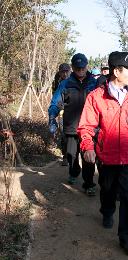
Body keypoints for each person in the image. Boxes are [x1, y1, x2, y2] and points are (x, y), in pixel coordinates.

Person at [77, 51, 128, 256]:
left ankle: (126, 237)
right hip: (107, 155)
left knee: (127, 196)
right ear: (116, 71)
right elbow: (86, 126)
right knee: (107, 190)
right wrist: (87, 147)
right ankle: (106, 211)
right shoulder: (96, 96)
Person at [48, 53, 97, 196]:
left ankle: (89, 184)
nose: (80, 71)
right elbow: (56, 102)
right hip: (71, 126)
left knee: (88, 156)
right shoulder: (65, 84)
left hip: (89, 127)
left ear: (87, 66)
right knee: (71, 154)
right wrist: (52, 117)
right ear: (73, 68)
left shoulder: (94, 84)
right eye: (77, 68)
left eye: (82, 68)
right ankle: (74, 171)